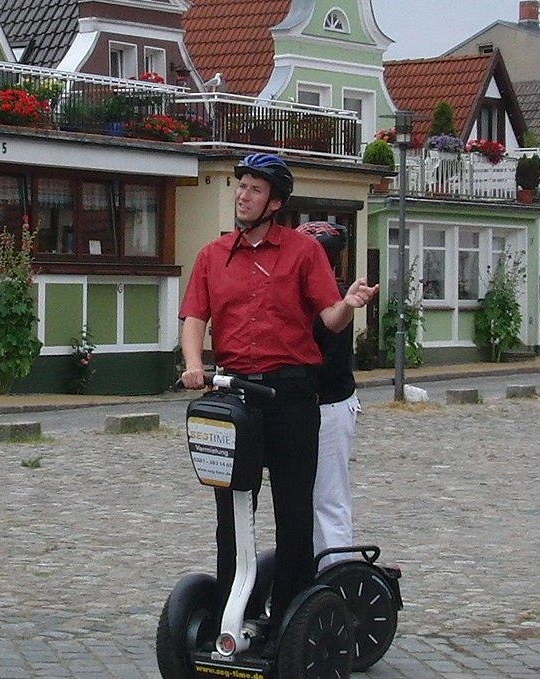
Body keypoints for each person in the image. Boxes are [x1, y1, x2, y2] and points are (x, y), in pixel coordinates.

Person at [178, 154, 377, 623]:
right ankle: (234, 610)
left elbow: (328, 317)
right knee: (231, 515)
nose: (243, 196)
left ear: (276, 202)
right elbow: (194, 318)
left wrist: (349, 304)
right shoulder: (212, 254)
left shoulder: (302, 253)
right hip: (233, 397)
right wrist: (193, 365)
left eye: (255, 189)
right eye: (241, 186)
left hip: (289, 396)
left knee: (293, 515)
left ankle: (290, 616)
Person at [297, 221, 362, 569]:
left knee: (329, 497)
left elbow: (332, 364)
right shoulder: (296, 294)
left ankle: (336, 574)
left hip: (330, 406)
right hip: (299, 407)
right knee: (300, 498)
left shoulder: (335, 298)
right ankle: (303, 570)